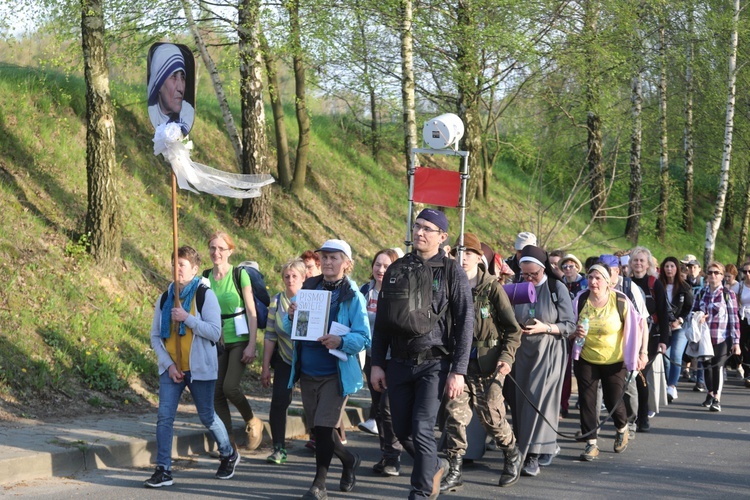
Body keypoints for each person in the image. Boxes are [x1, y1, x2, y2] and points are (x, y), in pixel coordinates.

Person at [370, 209, 474, 500]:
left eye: (428, 228)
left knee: (422, 426)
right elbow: (382, 323)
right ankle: (435, 466)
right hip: (399, 362)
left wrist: (459, 370)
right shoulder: (397, 268)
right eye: (417, 226)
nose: (420, 232)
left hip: (435, 363)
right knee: (402, 431)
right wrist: (377, 364)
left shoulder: (452, 271)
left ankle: (420, 492)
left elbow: (466, 321)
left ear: (442, 237)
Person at [145, 246, 239, 488]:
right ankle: (163, 469)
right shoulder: (165, 297)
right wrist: (168, 365)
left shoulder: (204, 295)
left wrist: (187, 318)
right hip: (172, 369)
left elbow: (214, 331)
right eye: (174, 263)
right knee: (164, 418)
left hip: (200, 368)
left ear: (195, 269)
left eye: (182, 264)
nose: (177, 268)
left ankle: (228, 452)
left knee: (207, 415)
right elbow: (155, 336)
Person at [286, 239, 370, 500]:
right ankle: (348, 460)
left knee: (323, 428)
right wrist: (293, 315)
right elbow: (300, 329)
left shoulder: (352, 296)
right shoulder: (308, 288)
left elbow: (364, 336)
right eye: (324, 257)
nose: (328, 262)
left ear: (347, 263)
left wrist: (341, 341)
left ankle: (319, 484)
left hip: (335, 372)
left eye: (335, 257)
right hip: (308, 370)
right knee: (319, 429)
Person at [441, 233, 523, 491]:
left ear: (479, 258)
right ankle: (455, 469)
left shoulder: (492, 288)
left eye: (469, 253)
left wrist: (507, 358)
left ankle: (511, 453)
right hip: (460, 366)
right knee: (455, 415)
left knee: (492, 418)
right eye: (459, 253)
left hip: (489, 366)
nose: (463, 258)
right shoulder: (449, 286)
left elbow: (513, 329)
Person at [512, 245, 576, 477]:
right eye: (525, 274)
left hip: (549, 352)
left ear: (543, 269)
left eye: (533, 274)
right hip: (523, 353)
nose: (529, 278)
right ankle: (527, 447)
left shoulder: (555, 287)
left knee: (539, 403)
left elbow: (570, 326)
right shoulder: (518, 286)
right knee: (522, 402)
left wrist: (546, 327)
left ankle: (533, 455)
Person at [571, 264, 641, 461]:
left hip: (614, 359)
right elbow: (569, 324)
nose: (593, 282)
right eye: (590, 277)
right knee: (587, 401)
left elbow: (635, 328)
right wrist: (575, 332)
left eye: (598, 278)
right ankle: (591, 443)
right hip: (586, 357)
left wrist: (637, 356)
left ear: (608, 281)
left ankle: (622, 427)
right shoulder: (581, 300)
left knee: (613, 400)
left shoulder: (620, 300)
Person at [204, 232, 263, 451]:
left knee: (230, 387)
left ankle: (252, 420)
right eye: (212, 248)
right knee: (216, 392)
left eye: (221, 248)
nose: (216, 252)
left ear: (230, 251)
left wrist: (252, 343)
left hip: (239, 337)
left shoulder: (239, 275)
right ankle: (226, 443)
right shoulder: (206, 277)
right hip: (217, 339)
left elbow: (251, 310)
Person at [359, 249, 412, 477]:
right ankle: (386, 454)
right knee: (379, 409)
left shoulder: (400, 292)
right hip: (371, 357)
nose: (381, 270)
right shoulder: (364, 291)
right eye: (377, 264)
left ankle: (395, 457)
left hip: (396, 358)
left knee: (387, 408)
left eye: (386, 265)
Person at [261, 258, 307, 464]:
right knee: (279, 401)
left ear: (303, 278)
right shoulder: (276, 301)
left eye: (294, 276)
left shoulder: (311, 300)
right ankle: (278, 447)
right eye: (286, 276)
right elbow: (270, 335)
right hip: (285, 358)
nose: (290, 280)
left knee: (313, 403)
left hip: (308, 358)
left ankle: (322, 440)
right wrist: (264, 368)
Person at [629, 247, 670, 432]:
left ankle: (643, 416)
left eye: (641, 261)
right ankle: (629, 416)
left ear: (648, 264)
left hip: (651, 337)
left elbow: (663, 313)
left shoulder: (655, 284)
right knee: (628, 378)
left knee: (640, 377)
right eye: (635, 260)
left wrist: (664, 340)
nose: (638, 264)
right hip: (629, 337)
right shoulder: (625, 283)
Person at [691, 262, 742, 412]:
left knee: (718, 367)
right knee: (706, 367)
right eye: (710, 272)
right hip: (704, 337)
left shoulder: (728, 294)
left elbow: (734, 319)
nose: (713, 275)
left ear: (722, 276)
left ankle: (717, 398)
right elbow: (692, 313)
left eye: (717, 273)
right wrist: (697, 317)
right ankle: (710, 393)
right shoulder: (700, 293)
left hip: (721, 337)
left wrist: (736, 342)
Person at [658, 256, 694, 403]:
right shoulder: (659, 285)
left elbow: (689, 307)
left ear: (677, 269)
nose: (669, 269)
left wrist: (680, 320)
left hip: (680, 327)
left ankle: (672, 385)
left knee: (676, 355)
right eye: (666, 266)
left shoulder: (685, 287)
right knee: (665, 357)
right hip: (664, 327)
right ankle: (667, 384)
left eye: (672, 266)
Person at [147, 43, 195, 135]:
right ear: (159, 83)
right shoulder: (151, 115)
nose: (181, 88)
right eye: (173, 77)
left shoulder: (187, 112)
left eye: (183, 77)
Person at [736, 262, 750, 387]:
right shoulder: (740, 286)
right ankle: (747, 372)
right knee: (743, 345)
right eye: (745, 272)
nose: (747, 274)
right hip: (743, 317)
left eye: (749, 271)